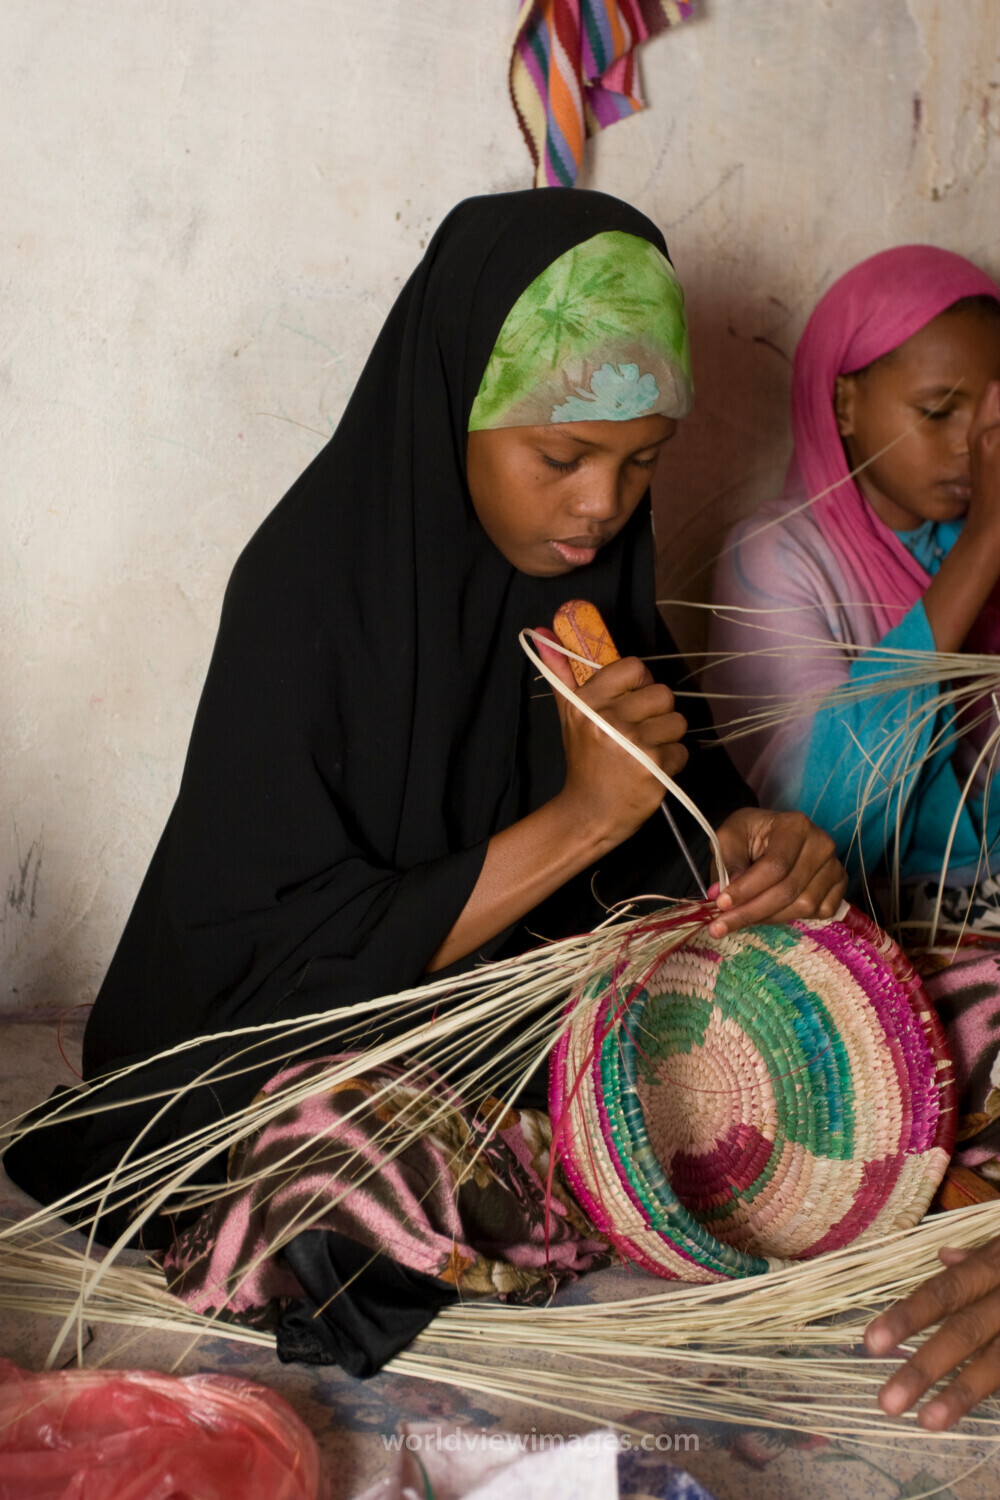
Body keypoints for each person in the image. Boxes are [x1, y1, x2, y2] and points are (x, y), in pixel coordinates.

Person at [4, 189, 843, 1373]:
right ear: (449, 409)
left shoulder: (596, 595)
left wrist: (753, 850)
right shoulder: (305, 596)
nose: (600, 506)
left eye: (639, 464)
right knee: (334, 1166)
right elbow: (264, 983)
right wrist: (581, 820)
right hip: (273, 1063)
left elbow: (666, 867)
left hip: (514, 1060)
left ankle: (561, 1188)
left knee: (866, 1028)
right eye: (561, 455)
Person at [708, 245, 1000, 1429]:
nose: (970, 452)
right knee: (817, 1084)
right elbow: (830, 815)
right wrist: (985, 556)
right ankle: (943, 1187)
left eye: (989, 420)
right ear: (840, 399)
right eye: (937, 414)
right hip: (852, 936)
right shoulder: (774, 563)